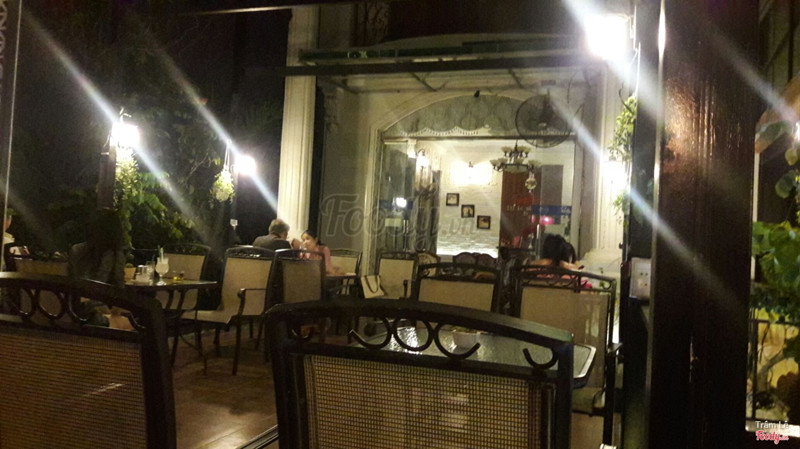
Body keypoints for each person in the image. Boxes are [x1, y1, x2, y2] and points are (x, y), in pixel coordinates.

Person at [68, 208, 129, 328]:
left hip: (73, 311)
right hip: (95, 315)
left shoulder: (76, 249)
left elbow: (74, 280)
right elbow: (119, 289)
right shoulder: (115, 254)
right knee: (138, 322)